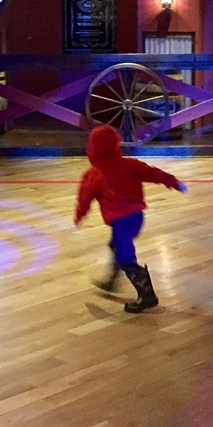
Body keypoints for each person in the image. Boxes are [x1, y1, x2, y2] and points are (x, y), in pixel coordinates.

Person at [74, 124, 187, 313]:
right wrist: (174, 182)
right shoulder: (130, 165)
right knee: (116, 246)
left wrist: (79, 216)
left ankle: (147, 295)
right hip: (136, 218)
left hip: (121, 222)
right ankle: (112, 280)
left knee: (125, 257)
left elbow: (84, 198)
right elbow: (153, 173)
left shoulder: (94, 174)